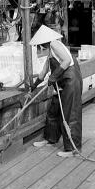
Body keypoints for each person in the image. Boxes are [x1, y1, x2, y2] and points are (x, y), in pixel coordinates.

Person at [29, 25, 83, 158]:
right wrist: (33, 87)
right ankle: (50, 138)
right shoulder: (49, 51)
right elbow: (43, 72)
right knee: (54, 110)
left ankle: (73, 148)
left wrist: (53, 77)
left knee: (70, 114)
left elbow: (67, 60)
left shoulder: (54, 44)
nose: (39, 47)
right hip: (61, 83)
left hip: (71, 80)